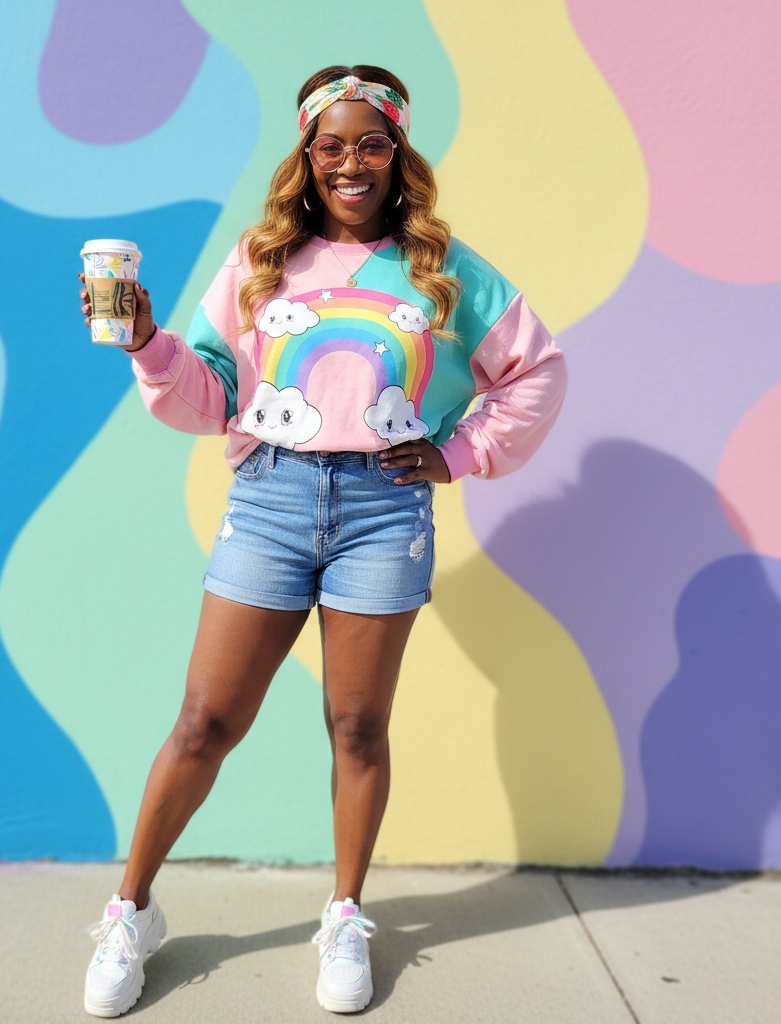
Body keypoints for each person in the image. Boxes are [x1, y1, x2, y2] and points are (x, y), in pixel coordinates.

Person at [77, 65, 567, 1017]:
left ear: (397, 153)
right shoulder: (261, 260)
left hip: (385, 511)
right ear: (307, 157)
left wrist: (459, 453)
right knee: (205, 722)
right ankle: (130, 909)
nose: (351, 163)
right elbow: (210, 394)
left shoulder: (447, 271)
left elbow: (536, 369)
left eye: (371, 143)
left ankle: (343, 916)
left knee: (357, 727)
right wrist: (144, 342)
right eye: (331, 145)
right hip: (271, 498)